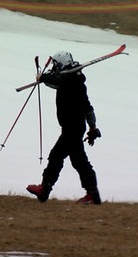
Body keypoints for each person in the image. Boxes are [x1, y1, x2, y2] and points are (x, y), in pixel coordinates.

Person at [27, 51, 102, 205]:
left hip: (72, 129)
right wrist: (92, 127)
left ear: (61, 64)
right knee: (78, 161)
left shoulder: (71, 80)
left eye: (55, 64)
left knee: (58, 157)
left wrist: (43, 77)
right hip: (73, 128)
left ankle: (45, 190)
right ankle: (92, 194)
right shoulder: (74, 80)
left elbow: (57, 80)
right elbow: (87, 106)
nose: (54, 67)